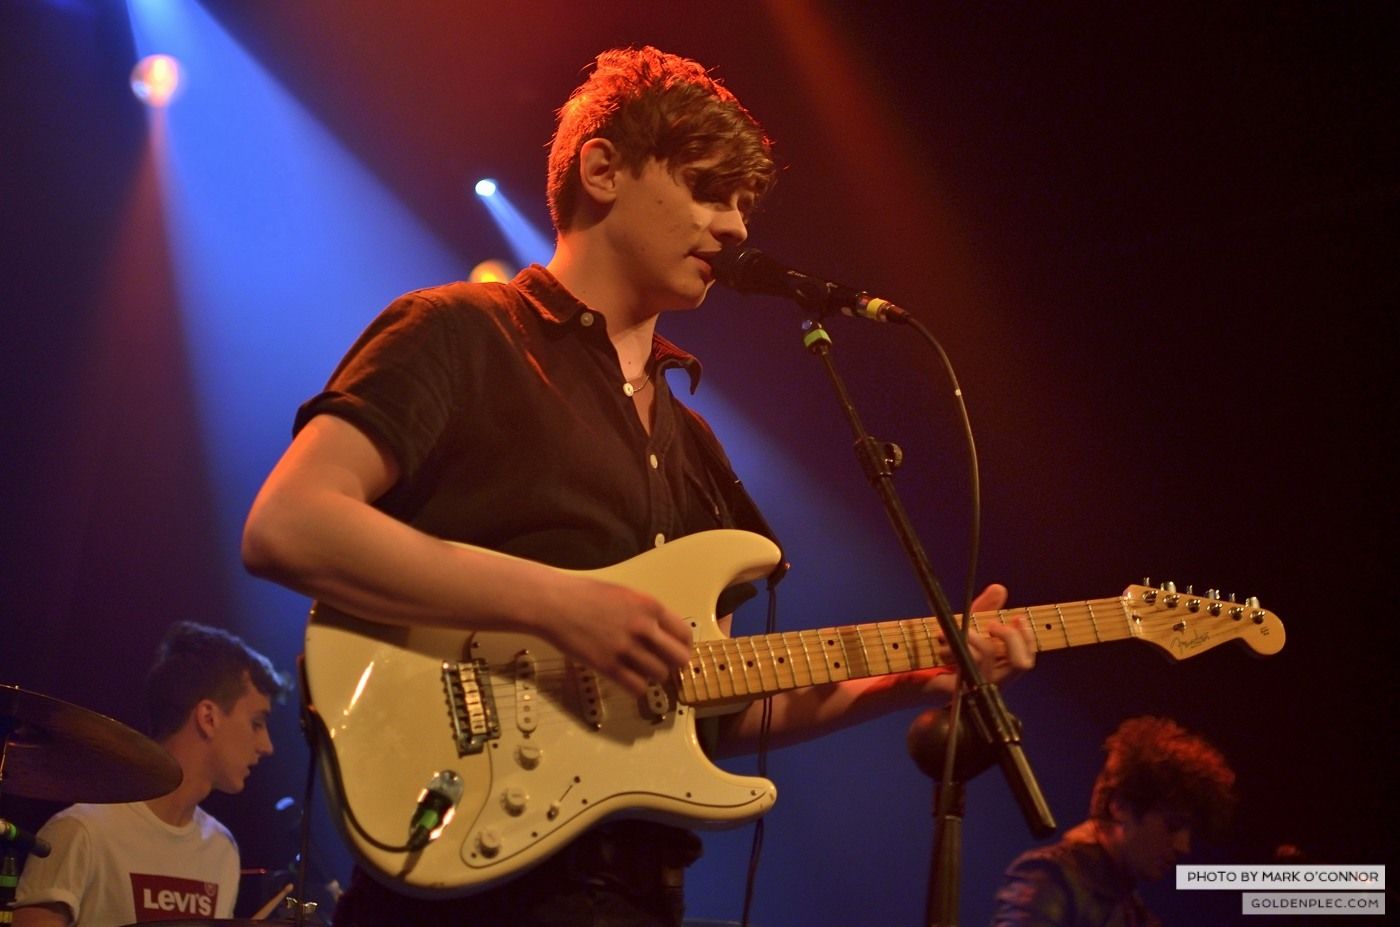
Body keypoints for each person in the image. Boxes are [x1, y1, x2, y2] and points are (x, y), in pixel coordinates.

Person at [240, 45, 1035, 927]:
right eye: (707, 190)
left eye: (741, 203)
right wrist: (560, 606)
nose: (735, 228)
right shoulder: (458, 332)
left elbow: (709, 706)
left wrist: (906, 680)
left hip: (636, 894)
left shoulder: (692, 440)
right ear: (603, 168)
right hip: (465, 880)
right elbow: (290, 525)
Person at [12, 622, 287, 927]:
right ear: (208, 718)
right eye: (257, 723)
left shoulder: (222, 849)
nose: (268, 746)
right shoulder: (81, 831)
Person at [990, 716, 1237, 927]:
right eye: (1172, 825)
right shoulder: (1050, 878)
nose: (1184, 846)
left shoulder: (1131, 909)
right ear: (1120, 807)